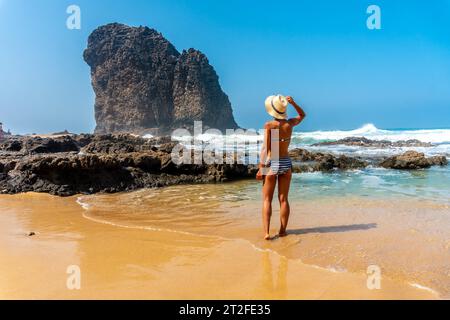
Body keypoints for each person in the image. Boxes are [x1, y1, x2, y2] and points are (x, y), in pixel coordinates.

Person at [256, 95, 306, 240]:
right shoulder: (289, 124)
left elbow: (266, 149)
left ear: (272, 110)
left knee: (267, 200)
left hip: (273, 162)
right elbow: (303, 115)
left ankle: (266, 233)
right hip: (286, 162)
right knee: (283, 199)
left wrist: (261, 169)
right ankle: (283, 230)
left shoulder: (270, 125)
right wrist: (294, 103)